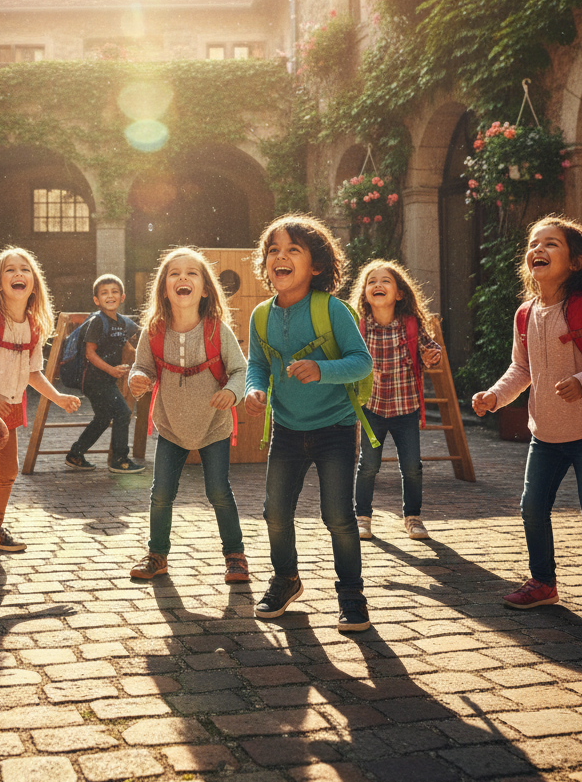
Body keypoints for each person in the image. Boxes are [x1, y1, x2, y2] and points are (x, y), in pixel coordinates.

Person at [473, 215, 582, 627]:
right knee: (532, 508)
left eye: (551, 243)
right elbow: (522, 368)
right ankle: (543, 582)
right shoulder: (525, 313)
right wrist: (495, 396)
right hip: (545, 433)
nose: (538, 249)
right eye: (534, 243)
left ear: (576, 262)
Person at [244, 214, 373, 629]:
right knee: (274, 513)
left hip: (335, 429)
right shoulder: (260, 315)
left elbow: (361, 361)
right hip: (286, 429)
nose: (279, 257)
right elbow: (257, 364)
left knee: (338, 516)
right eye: (273, 251)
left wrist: (322, 370)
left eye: (292, 250)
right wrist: (255, 389)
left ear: (316, 265)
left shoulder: (332, 310)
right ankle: (286, 579)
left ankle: (351, 595)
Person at [0, 247, 80, 566]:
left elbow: (33, 372)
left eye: (25, 269)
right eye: (10, 270)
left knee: (7, 474)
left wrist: (58, 397)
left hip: (10, 412)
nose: (18, 274)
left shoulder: (34, 325)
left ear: (34, 284)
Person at [127, 247, 249, 584]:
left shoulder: (217, 330)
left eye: (191, 273)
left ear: (206, 288)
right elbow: (142, 368)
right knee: (161, 493)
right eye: (174, 273)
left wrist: (232, 392)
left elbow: (240, 369)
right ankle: (156, 555)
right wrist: (136, 379)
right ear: (164, 288)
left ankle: (235, 556)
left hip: (214, 425)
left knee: (218, 492)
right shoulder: (153, 331)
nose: (182, 278)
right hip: (170, 424)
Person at [349, 259, 442, 541]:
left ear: (399, 293)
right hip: (371, 408)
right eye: (371, 281)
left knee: (412, 465)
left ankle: (413, 517)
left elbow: (431, 348)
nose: (378, 285)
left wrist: (431, 355)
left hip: (405, 408)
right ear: (364, 293)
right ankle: (362, 517)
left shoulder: (411, 325)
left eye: (385, 281)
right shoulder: (359, 327)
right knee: (368, 465)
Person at [65, 274, 144, 474]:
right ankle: (119, 460)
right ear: (96, 300)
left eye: (115, 292)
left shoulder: (122, 322)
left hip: (105, 379)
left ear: (122, 297)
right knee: (123, 412)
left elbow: (139, 337)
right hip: (94, 379)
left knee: (102, 417)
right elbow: (89, 353)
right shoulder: (97, 321)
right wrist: (112, 370)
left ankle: (76, 454)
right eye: (105, 293)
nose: (110, 296)